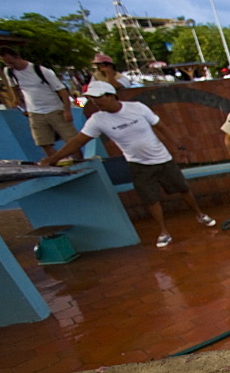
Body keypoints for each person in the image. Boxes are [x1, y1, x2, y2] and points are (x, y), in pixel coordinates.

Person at [40, 81, 216, 248]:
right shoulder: (97, 120)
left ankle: (200, 214)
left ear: (111, 96)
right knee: (150, 198)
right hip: (137, 164)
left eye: (99, 97)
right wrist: (53, 159)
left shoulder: (137, 108)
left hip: (163, 158)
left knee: (182, 188)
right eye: (93, 99)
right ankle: (163, 231)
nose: (96, 102)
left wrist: (178, 146)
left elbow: (160, 126)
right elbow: (78, 141)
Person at [0, 46, 83, 163]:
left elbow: (62, 91)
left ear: (17, 57)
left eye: (11, 62)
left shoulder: (41, 71)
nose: (11, 65)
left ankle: (79, 160)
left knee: (71, 140)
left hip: (54, 108)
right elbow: (13, 86)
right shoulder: (9, 72)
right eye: (7, 63)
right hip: (35, 111)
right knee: (43, 141)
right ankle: (59, 162)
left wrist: (67, 110)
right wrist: (15, 98)